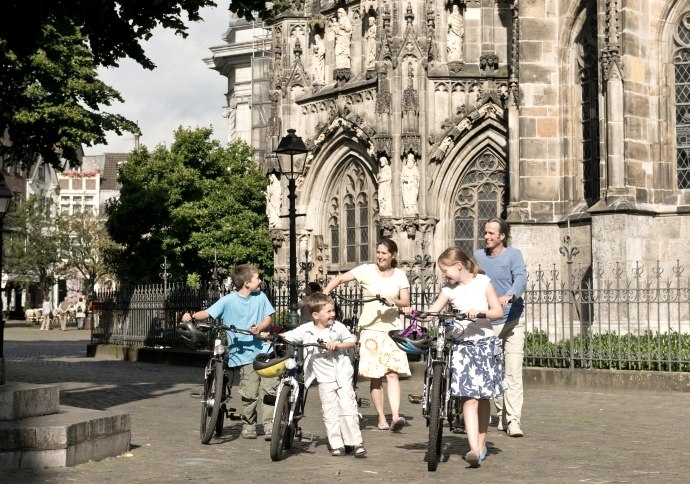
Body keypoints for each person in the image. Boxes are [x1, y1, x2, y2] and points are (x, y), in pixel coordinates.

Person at [416, 247, 505, 467]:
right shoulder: (448, 290)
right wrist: (416, 314)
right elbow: (432, 313)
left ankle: (481, 446)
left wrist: (480, 312)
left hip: (483, 343)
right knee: (469, 397)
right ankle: (473, 449)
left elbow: (498, 312)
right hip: (462, 346)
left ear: (459, 266)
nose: (444, 275)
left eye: (446, 270)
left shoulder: (483, 282)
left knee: (483, 397)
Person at [182, 264, 278, 440]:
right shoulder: (228, 300)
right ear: (247, 283)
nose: (260, 281)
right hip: (243, 354)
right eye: (257, 278)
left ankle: (270, 425)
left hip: (264, 350)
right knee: (250, 392)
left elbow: (269, 317)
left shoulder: (261, 296)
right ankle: (249, 425)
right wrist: (191, 316)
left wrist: (260, 327)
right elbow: (209, 313)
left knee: (270, 389)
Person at [323, 238, 410, 432]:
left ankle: (395, 416)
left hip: (392, 329)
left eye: (384, 253)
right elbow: (339, 278)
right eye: (378, 252)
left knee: (393, 373)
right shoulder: (366, 270)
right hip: (370, 330)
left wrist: (394, 301)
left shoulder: (400, 275)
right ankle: (381, 417)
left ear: (393, 255)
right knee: (376, 376)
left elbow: (406, 301)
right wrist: (326, 293)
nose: (380, 256)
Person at [278, 292, 366, 457]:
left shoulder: (337, 327)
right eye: (329, 312)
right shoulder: (307, 330)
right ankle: (336, 444)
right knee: (329, 411)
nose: (333, 314)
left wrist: (337, 345)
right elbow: (289, 336)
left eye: (333, 311)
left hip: (342, 374)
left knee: (348, 408)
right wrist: (270, 335)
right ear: (316, 315)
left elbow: (352, 341)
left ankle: (355, 443)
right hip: (324, 378)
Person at [474, 218, 527, 438]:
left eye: (491, 233)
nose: (486, 236)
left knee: (513, 372)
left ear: (502, 236)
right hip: (489, 322)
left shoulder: (513, 255)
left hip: (513, 320)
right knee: (493, 372)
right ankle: (501, 412)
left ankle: (514, 421)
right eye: (485, 233)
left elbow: (521, 277)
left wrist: (511, 294)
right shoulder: (478, 256)